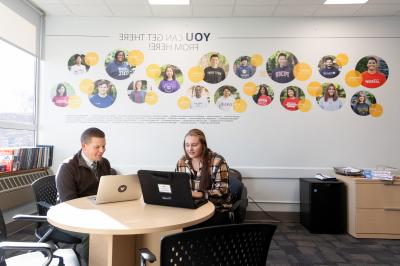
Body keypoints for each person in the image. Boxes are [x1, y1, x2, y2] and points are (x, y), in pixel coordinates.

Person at [55, 127, 115, 265]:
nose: (102, 150)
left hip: (95, 214)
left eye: (104, 146)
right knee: (93, 235)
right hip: (68, 217)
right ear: (84, 146)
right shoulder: (67, 167)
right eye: (97, 147)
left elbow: (108, 190)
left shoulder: (104, 163)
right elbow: (69, 204)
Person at [176, 128, 231, 228]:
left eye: (194, 145)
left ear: (203, 145)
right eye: (187, 145)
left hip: (217, 209)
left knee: (189, 228)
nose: (190, 149)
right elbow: (177, 187)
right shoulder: (182, 162)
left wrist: (198, 194)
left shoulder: (217, 161)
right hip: (192, 207)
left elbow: (223, 191)